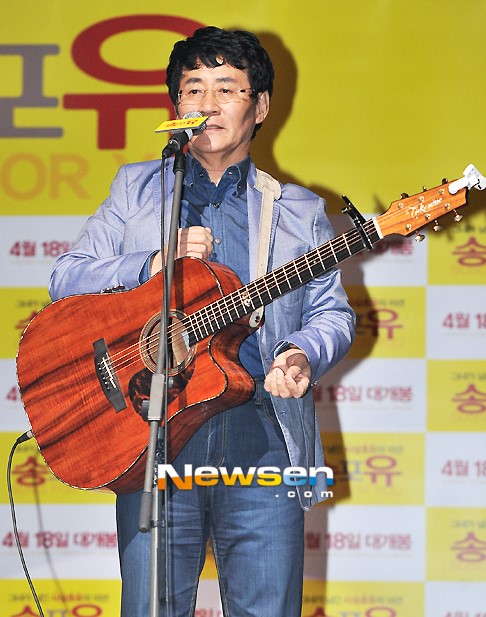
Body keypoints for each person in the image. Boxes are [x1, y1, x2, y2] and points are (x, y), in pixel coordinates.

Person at [49, 26, 355, 617]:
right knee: (151, 607)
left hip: (263, 435)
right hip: (157, 432)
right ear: (176, 107)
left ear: (259, 107)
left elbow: (331, 313)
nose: (208, 104)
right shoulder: (136, 190)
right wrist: (152, 263)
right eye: (193, 89)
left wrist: (301, 353)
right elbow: (67, 277)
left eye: (227, 89)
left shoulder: (298, 210)